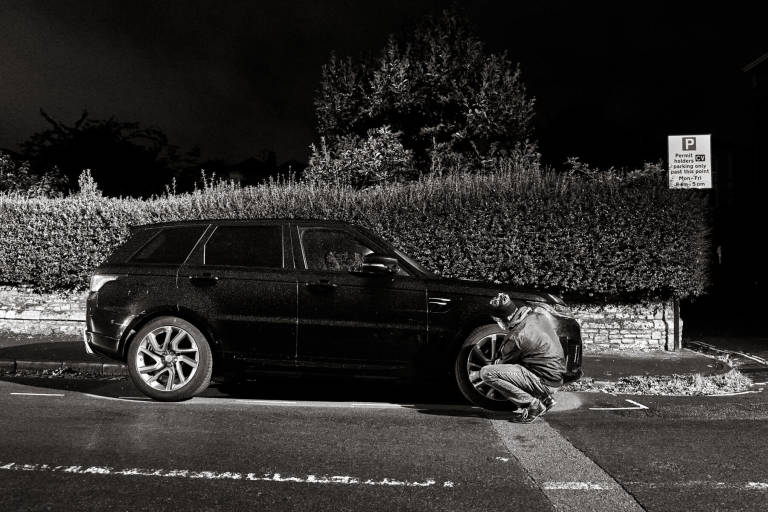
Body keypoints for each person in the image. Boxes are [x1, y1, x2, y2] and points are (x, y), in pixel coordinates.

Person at [475, 292, 566, 423]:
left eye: (498, 321)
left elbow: (502, 364)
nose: (499, 324)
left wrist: (494, 362)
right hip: (556, 377)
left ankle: (533, 405)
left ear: (505, 319)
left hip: (544, 382)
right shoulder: (537, 316)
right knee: (524, 361)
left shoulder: (517, 336)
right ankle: (545, 398)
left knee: (487, 373)